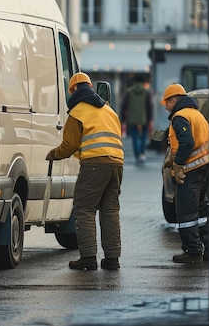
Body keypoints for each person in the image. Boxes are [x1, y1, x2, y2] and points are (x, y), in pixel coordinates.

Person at [46, 72, 125, 271]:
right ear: (90, 87)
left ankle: (88, 258)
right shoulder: (109, 110)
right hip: (117, 164)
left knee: (84, 209)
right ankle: (112, 259)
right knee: (110, 211)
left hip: (94, 165)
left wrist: (53, 154)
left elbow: (69, 145)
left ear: (72, 90)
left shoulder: (78, 112)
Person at [161, 83, 209, 263]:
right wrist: (172, 159)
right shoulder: (197, 115)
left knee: (187, 213)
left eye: (166, 102)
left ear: (173, 100)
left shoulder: (180, 117)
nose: (166, 107)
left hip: (191, 171)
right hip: (205, 169)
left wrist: (178, 164)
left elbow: (187, 143)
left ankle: (193, 251)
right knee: (203, 210)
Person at [120, 74, 153, 164]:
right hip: (144, 118)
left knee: (135, 137)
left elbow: (124, 106)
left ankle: (137, 155)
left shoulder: (129, 91)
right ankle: (142, 153)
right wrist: (150, 118)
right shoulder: (146, 92)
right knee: (143, 137)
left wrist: (123, 118)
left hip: (132, 118)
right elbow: (149, 106)